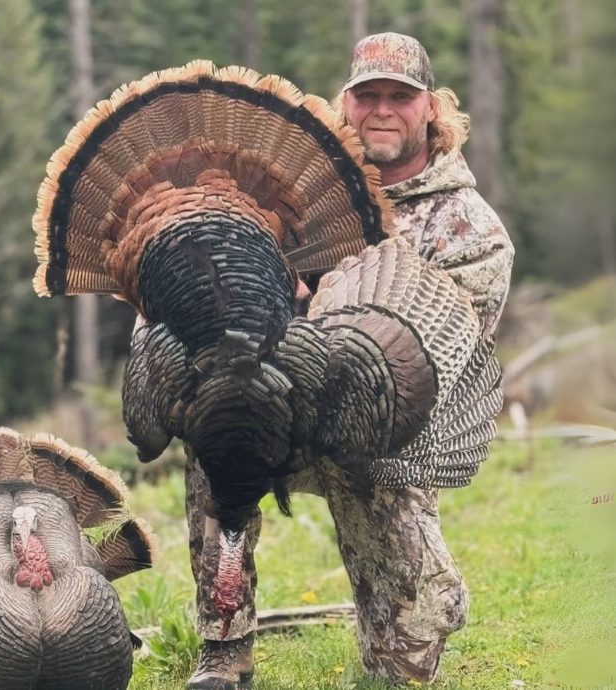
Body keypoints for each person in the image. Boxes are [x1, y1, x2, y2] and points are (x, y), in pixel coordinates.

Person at [186, 32, 514, 689]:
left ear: (431, 109)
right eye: (369, 97)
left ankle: (419, 615)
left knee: (403, 669)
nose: (383, 110)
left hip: (389, 431)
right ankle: (225, 646)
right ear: (347, 104)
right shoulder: (297, 189)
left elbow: (446, 368)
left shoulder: (469, 230)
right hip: (280, 403)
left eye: (401, 96)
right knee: (217, 434)